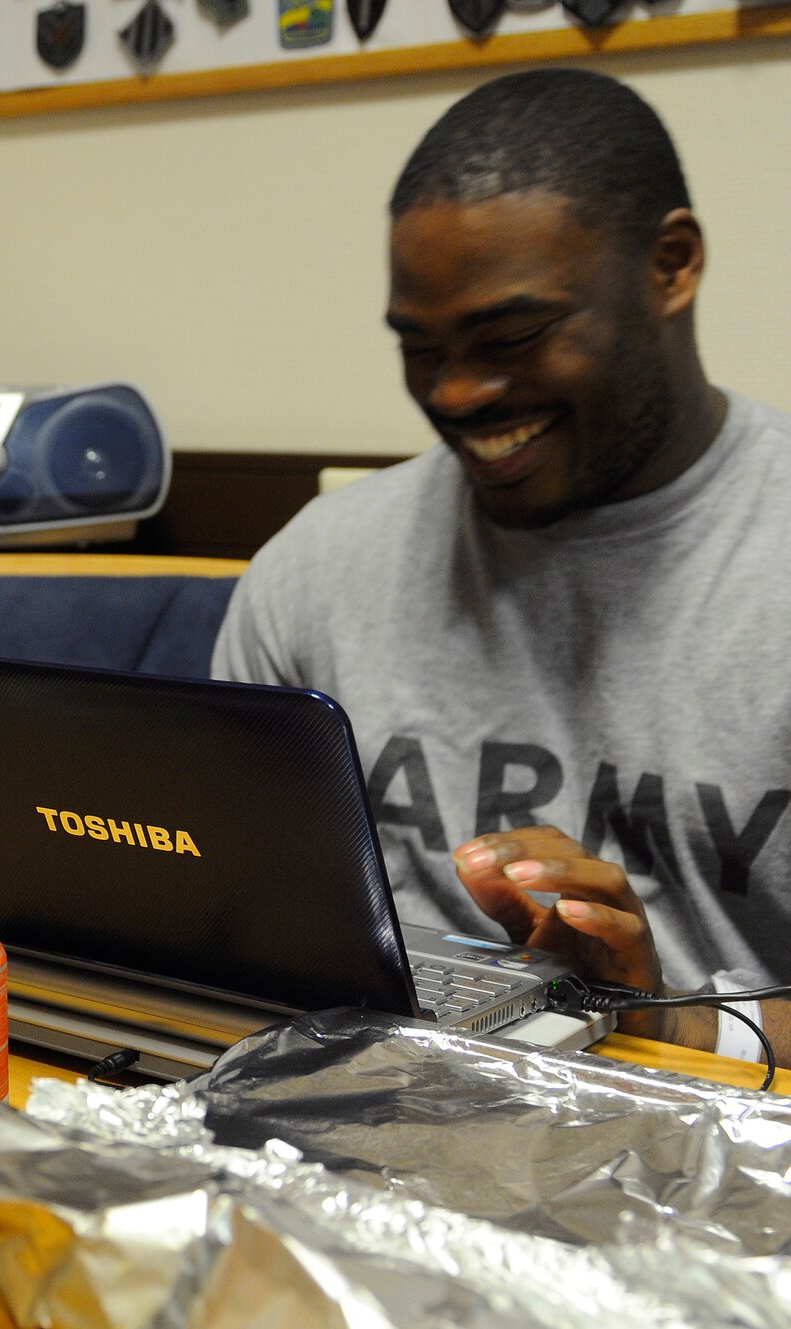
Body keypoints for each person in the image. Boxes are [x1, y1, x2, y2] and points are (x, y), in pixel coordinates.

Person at [213, 69, 791, 1061]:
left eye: (511, 336)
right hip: (352, 1138)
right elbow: (214, 902)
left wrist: (666, 1016)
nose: (455, 393)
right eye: (417, 348)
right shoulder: (315, 570)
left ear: (671, 265)